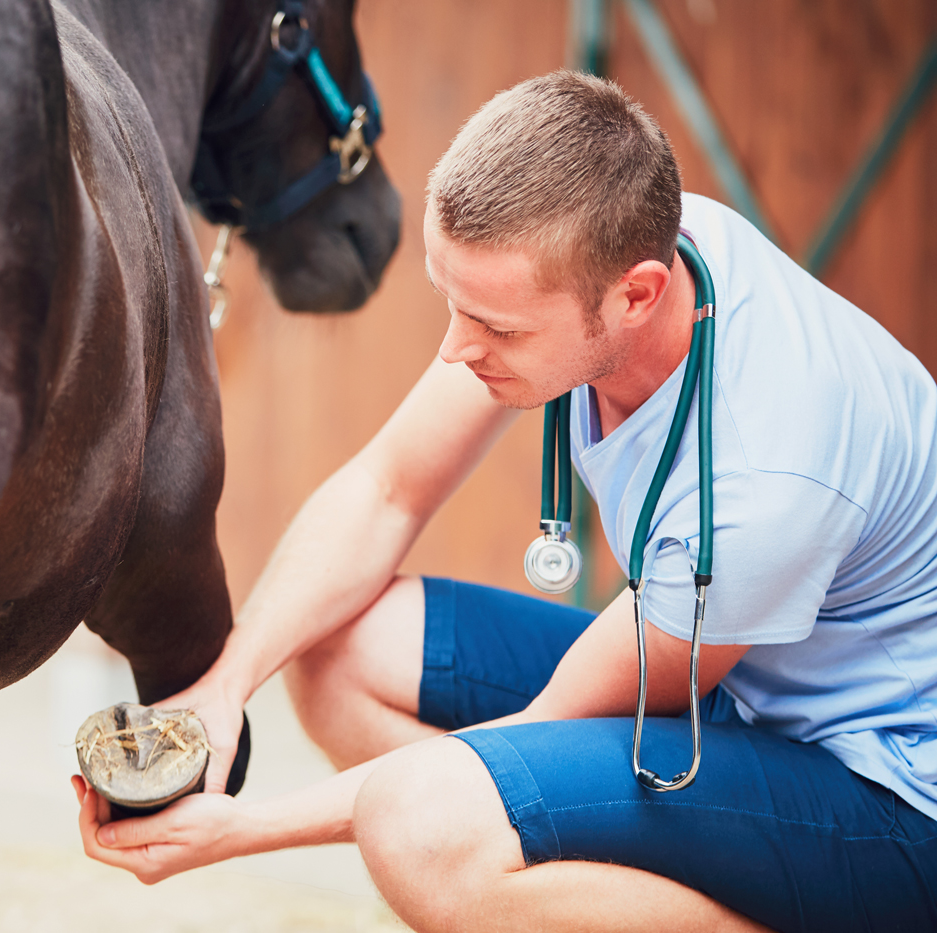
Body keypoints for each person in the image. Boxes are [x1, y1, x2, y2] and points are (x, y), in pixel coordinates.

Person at [70, 71, 937, 932]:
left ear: (636, 294)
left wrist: (237, 831)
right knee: (340, 649)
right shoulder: (648, 242)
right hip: (745, 692)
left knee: (424, 827)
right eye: (451, 301)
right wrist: (224, 686)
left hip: (887, 800)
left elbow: (537, 733)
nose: (457, 350)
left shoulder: (764, 481)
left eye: (500, 329)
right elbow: (385, 488)